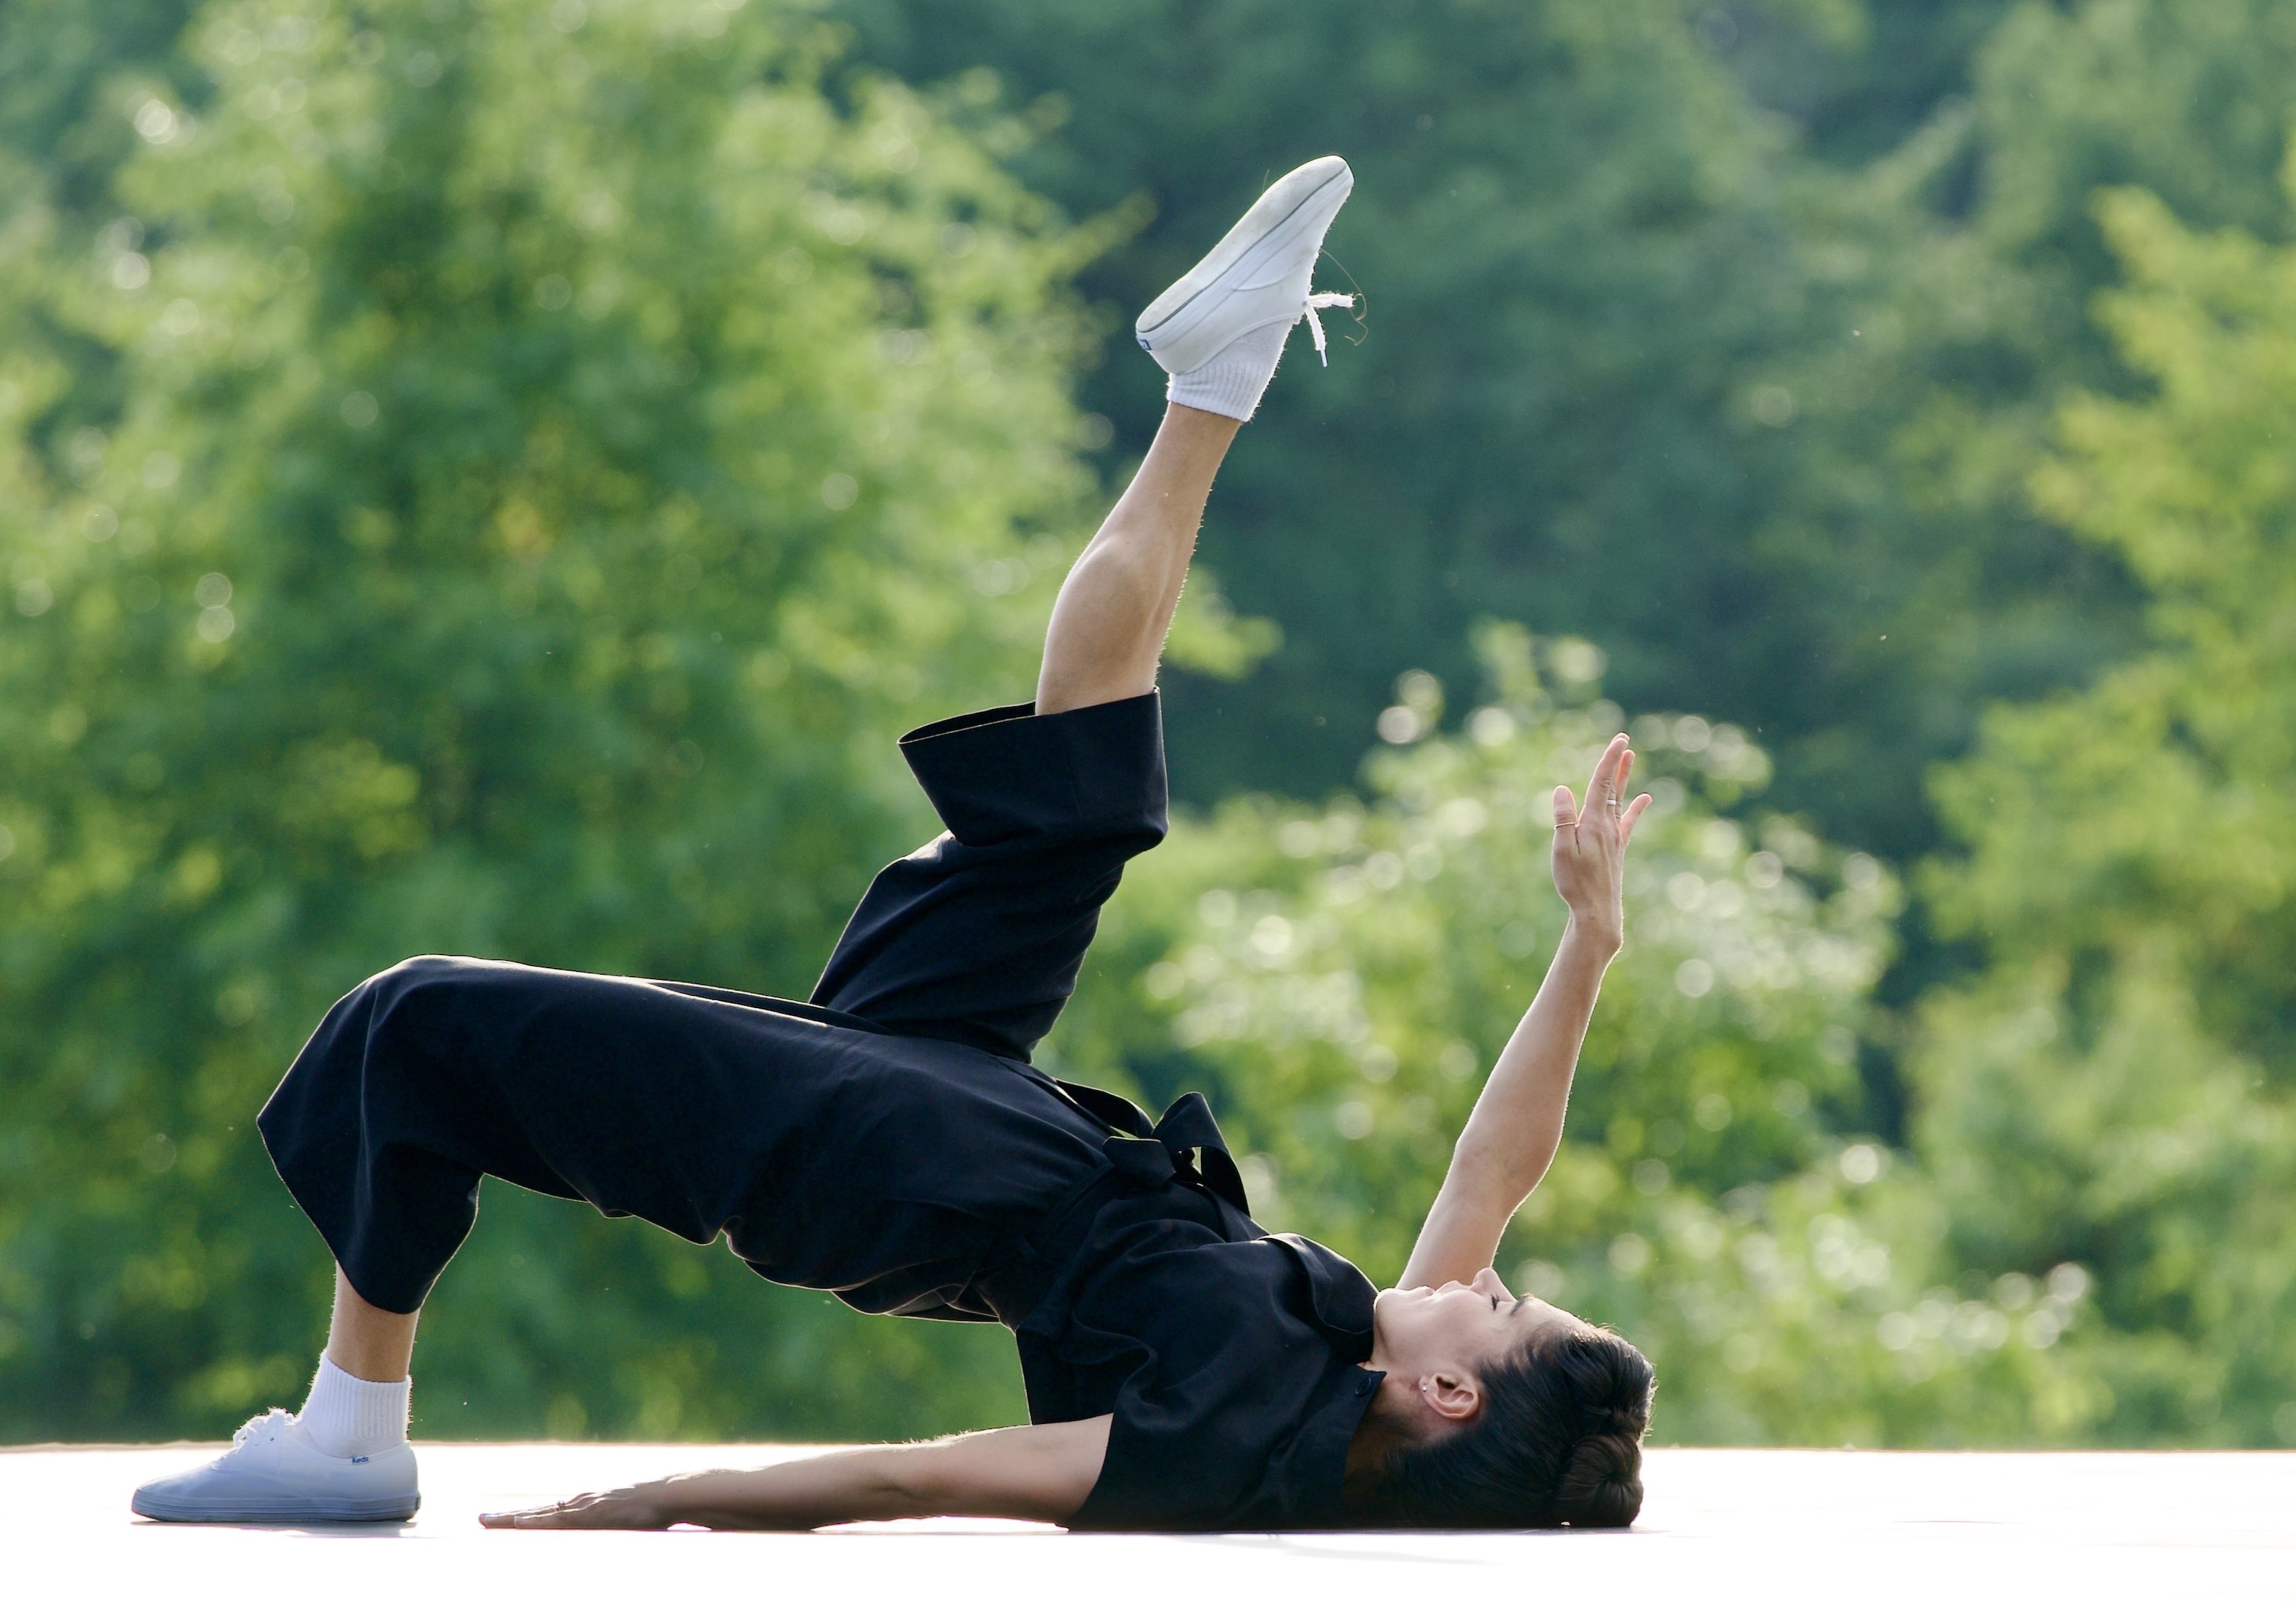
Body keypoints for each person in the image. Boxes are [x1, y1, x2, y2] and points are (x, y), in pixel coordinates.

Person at [130, 156, 1657, 1534]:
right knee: (1077, 794)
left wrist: (662, 1500)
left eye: (1504, 1311)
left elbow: (920, 1469)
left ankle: (351, 1434)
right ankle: (1215, 381)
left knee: (420, 1022)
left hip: (887, 1169)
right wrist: (1584, 946)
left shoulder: (1220, 1445)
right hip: (987, 1111)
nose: (1483, 1280)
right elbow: (1492, 1166)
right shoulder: (1356, 1354)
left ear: (1450, 1398)